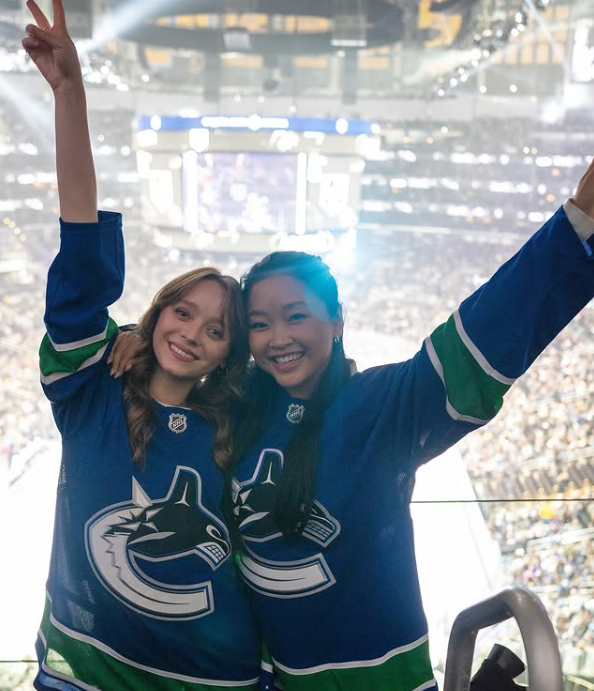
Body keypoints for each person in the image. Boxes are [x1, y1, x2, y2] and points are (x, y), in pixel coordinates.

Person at [23, 1, 270, 689]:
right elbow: (80, 257)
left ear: (229, 354)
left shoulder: (243, 422)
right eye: (182, 313)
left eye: (216, 330)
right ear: (156, 313)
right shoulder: (91, 391)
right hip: (81, 674)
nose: (191, 333)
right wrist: (70, 95)